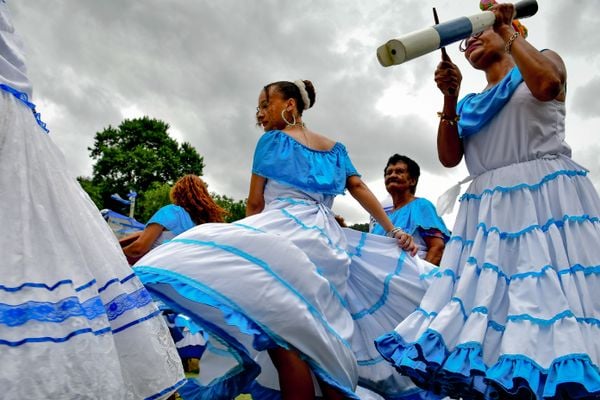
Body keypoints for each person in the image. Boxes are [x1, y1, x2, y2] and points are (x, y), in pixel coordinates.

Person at [133, 79, 436, 400]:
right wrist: (393, 230)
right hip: (327, 245)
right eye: (259, 108)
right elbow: (359, 188)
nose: (260, 114)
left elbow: (254, 204)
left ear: (290, 105)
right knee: (320, 340)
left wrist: (242, 250)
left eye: (266, 105)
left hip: (283, 235)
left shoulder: (272, 142)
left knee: (285, 342)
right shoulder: (335, 149)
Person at [376, 2, 600, 399]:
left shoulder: (543, 62)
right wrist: (450, 96)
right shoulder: (469, 106)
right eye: (466, 40)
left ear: (511, 29)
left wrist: (506, 26)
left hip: (546, 203)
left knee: (555, 302)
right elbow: (449, 157)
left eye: (480, 30)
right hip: (490, 216)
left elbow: (548, 85)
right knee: (498, 318)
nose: (472, 40)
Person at [0, 2, 185, 398]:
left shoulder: (169, 210)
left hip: (161, 280)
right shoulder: (190, 218)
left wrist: (113, 247)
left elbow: (142, 245)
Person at [121, 174, 227, 263]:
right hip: (182, 282)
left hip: (155, 277)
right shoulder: (205, 226)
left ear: (177, 192)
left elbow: (139, 249)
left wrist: (118, 254)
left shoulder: (171, 212)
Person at [371, 154, 450, 265]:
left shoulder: (422, 206)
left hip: (413, 279)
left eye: (399, 172)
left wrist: (422, 280)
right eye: (389, 173)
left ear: (412, 181)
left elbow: (437, 248)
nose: (392, 175)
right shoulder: (382, 220)